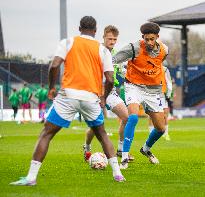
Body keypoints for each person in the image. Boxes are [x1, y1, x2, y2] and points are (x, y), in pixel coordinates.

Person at [10, 16, 125, 186]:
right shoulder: (103, 50)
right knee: (101, 134)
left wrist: (51, 87)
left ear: (79, 28)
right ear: (95, 31)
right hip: (91, 97)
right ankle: (118, 174)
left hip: (68, 95)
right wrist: (102, 97)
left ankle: (31, 177)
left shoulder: (69, 42)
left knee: (47, 133)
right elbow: (109, 78)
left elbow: (54, 65)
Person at [113, 22, 168, 169]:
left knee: (161, 128)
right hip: (134, 86)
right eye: (146, 39)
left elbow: (158, 64)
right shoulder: (134, 47)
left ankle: (146, 149)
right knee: (133, 117)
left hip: (153, 90)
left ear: (157, 37)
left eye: (152, 39)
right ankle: (124, 157)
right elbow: (113, 60)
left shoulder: (164, 50)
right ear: (142, 37)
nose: (149, 42)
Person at [83, 25, 134, 162]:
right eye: (109, 38)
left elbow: (121, 71)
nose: (112, 41)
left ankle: (120, 149)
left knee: (126, 117)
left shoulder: (117, 55)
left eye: (114, 39)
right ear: (104, 37)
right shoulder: (96, 51)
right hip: (94, 92)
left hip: (110, 92)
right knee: (96, 126)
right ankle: (87, 147)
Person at [148, 66, 173, 141]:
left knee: (165, 114)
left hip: (161, 94)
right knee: (151, 115)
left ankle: (166, 133)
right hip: (151, 94)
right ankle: (150, 133)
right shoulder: (149, 68)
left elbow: (169, 82)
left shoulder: (164, 69)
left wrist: (168, 94)